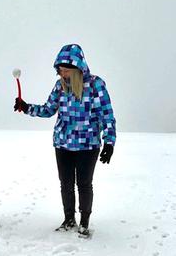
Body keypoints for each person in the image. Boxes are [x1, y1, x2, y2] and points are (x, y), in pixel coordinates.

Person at [13, 44, 116, 237]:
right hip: (63, 144)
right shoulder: (60, 87)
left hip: (88, 145)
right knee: (66, 184)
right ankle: (69, 220)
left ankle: (84, 223)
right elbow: (48, 110)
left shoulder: (96, 85)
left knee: (84, 184)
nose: (62, 73)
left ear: (78, 67)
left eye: (66, 69)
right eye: (60, 69)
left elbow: (107, 116)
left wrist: (109, 142)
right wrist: (26, 107)